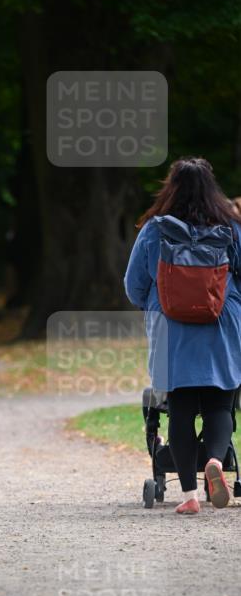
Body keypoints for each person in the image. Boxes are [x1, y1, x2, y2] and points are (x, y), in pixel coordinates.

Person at [124, 157, 241, 515]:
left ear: (170, 187)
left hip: (170, 327)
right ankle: (216, 464)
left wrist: (159, 305)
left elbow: (133, 286)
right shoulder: (232, 227)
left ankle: (189, 496)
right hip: (223, 323)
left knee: (180, 410)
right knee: (221, 404)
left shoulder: (154, 230)